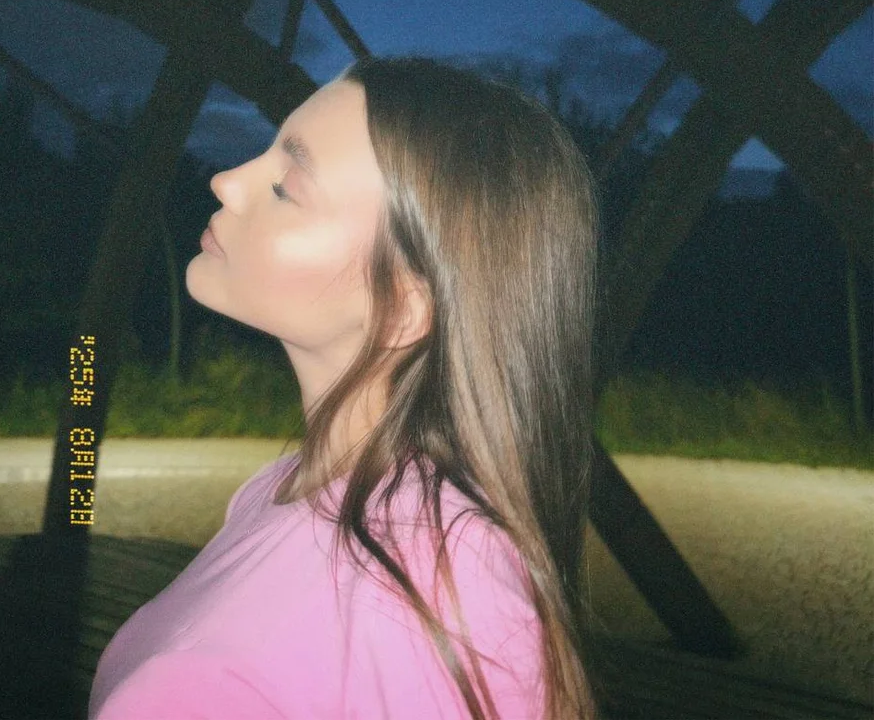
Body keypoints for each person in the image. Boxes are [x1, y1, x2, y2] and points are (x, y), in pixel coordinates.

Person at [88, 56, 599, 719]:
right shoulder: (281, 488)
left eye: (287, 186)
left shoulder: (437, 583)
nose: (226, 181)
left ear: (402, 306)